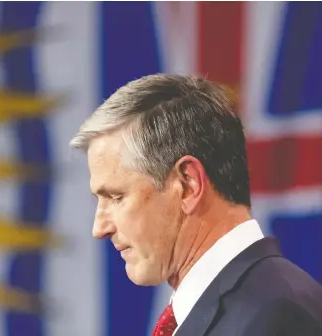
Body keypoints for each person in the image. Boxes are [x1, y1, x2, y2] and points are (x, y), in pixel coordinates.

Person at [69, 74, 322, 336]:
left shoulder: (273, 317)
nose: (99, 228)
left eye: (116, 197)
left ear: (188, 185)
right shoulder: (235, 307)